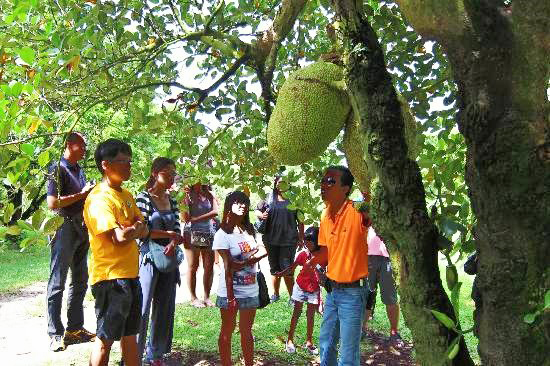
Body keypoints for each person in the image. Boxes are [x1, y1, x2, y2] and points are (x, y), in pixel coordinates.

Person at [83, 138, 148, 366]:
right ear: (105, 164)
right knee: (105, 339)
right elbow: (119, 238)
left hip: (131, 276)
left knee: (130, 337)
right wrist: (134, 228)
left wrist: (132, 228)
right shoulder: (99, 198)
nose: (128, 166)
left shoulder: (127, 195)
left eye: (130, 161)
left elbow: (143, 228)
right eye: (123, 161)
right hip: (110, 279)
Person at [306, 165, 369, 366]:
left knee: (348, 355)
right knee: (325, 345)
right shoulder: (325, 215)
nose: (324, 185)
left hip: (353, 293)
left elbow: (374, 208)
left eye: (331, 181)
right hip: (332, 291)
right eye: (323, 181)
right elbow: (325, 254)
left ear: (346, 188)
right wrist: (312, 260)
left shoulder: (358, 210)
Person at [46, 131, 96, 352]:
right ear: (69, 144)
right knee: (58, 282)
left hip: (80, 228)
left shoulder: (79, 169)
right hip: (63, 227)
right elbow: (53, 202)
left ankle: (75, 329)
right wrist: (83, 193)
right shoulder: (57, 168)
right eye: (82, 145)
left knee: (80, 280)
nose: (85, 149)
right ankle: (55, 334)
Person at [136, 157, 185, 366]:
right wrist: (168, 235)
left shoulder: (172, 199)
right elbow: (142, 231)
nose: (172, 176)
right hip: (148, 257)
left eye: (174, 172)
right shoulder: (143, 198)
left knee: (164, 307)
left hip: (169, 258)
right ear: (155, 173)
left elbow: (177, 228)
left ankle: (155, 354)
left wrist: (173, 242)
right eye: (168, 172)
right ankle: (134, 355)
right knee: (143, 307)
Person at [213, 191, 267, 366]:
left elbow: (264, 250)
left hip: (251, 290)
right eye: (238, 202)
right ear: (229, 205)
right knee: (227, 331)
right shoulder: (222, 234)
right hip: (230, 291)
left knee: (247, 332)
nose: (243, 206)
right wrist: (230, 296)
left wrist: (247, 259)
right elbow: (230, 266)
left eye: (245, 203)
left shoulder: (249, 229)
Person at [256, 176, 304, 303]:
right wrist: (261, 214)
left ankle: (292, 298)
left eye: (284, 182)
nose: (281, 184)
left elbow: (301, 220)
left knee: (287, 269)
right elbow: (257, 211)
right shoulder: (268, 197)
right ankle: (275, 295)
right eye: (279, 182)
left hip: (289, 239)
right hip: (270, 239)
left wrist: (301, 237)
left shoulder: (294, 199)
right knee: (274, 268)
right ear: (275, 184)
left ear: (288, 184)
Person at [276, 226, 323, 355]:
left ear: (317, 242)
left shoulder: (322, 255)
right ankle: (290, 339)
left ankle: (309, 341)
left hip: (314, 289)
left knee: (310, 315)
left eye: (310, 242)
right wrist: (282, 273)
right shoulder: (303, 254)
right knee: (296, 313)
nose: (307, 245)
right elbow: (293, 267)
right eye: (306, 242)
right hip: (300, 287)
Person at [362, 226, 403, 345]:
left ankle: (394, 332)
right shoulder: (366, 210)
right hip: (368, 256)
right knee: (367, 295)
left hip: (389, 257)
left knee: (390, 297)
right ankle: (362, 329)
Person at [181, 183, 218, 307]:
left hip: (208, 231)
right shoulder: (187, 195)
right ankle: (193, 298)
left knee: (209, 265)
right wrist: (184, 201)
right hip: (191, 232)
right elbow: (185, 218)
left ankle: (207, 297)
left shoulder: (209, 194)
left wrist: (197, 219)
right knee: (193, 265)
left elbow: (215, 212)